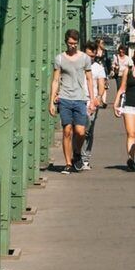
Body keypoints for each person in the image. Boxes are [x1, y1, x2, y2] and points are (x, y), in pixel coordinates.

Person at [52, 32, 100, 171]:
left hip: (80, 98)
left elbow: (90, 79)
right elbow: (55, 80)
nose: (72, 46)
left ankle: (77, 152)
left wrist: (91, 100)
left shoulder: (85, 58)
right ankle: (68, 163)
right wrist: (51, 100)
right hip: (65, 98)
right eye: (70, 43)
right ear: (66, 42)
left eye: (75, 43)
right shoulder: (60, 58)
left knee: (80, 131)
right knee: (67, 131)